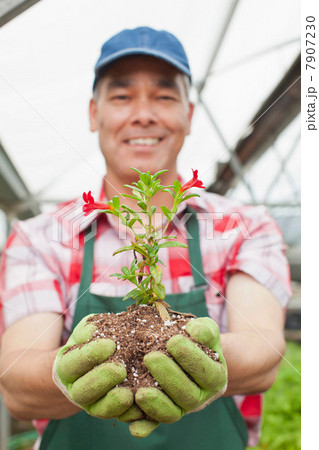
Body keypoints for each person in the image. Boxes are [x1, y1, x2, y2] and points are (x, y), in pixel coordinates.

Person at [0, 27, 292, 449]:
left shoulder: (244, 225)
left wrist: (206, 359)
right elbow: (16, 381)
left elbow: (264, 352)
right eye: (121, 96)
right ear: (93, 113)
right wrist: (67, 373)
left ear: (189, 115)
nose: (143, 114)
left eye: (164, 96)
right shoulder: (38, 238)